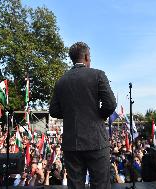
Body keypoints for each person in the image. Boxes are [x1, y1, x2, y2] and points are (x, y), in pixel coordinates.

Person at [49, 42, 116, 189]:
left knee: (75, 186)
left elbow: (53, 111)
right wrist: (99, 116)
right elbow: (110, 104)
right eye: (89, 56)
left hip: (71, 143)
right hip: (96, 141)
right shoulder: (98, 75)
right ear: (86, 56)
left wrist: (70, 113)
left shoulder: (61, 81)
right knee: (101, 185)